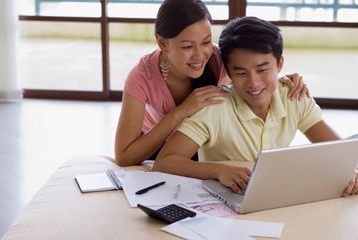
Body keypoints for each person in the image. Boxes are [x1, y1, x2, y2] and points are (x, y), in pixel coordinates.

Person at [153, 16, 358, 197]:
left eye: (262, 70)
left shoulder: (295, 97)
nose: (254, 83)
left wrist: (351, 174)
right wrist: (219, 170)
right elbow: (165, 162)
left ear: (279, 64)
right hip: (225, 204)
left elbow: (340, 154)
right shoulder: (213, 107)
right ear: (229, 74)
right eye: (241, 73)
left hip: (276, 197)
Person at [115, 0, 308, 167]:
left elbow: (251, 68)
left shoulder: (216, 58)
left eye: (206, 42)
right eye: (187, 46)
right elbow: (124, 157)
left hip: (201, 143)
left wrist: (280, 80)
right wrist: (182, 111)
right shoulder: (141, 77)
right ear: (163, 44)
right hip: (157, 147)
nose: (200, 55)